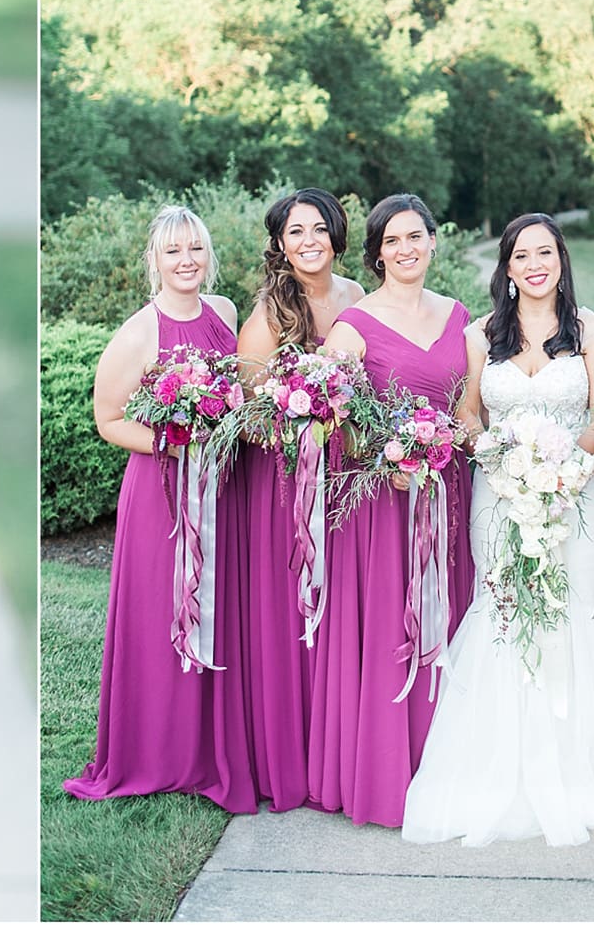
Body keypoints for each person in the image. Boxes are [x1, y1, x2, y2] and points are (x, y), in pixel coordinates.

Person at [401, 213, 594, 846]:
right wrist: (502, 458)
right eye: (522, 255)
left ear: (561, 261)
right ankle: (494, 766)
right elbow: (467, 412)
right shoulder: (483, 334)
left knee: (567, 611)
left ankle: (575, 769)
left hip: (573, 491)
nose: (535, 264)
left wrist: (560, 468)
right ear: (507, 268)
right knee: (504, 607)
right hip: (500, 490)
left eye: (546, 252)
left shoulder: (593, 329)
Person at [63, 206, 252, 805]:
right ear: (156, 260)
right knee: (163, 613)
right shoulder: (139, 332)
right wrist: (179, 442)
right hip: (164, 494)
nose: (186, 261)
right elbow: (108, 419)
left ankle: (210, 745)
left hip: (225, 486)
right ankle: (158, 750)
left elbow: (241, 392)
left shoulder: (224, 313)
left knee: (221, 607)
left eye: (195, 248)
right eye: (173, 251)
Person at [308, 193, 472, 826]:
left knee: (446, 619)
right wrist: (387, 455)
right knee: (388, 628)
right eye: (392, 241)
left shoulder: (463, 318)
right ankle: (383, 777)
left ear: (434, 241)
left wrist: (450, 442)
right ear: (377, 252)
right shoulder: (353, 327)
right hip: (381, 502)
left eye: (416, 237)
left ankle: (445, 765)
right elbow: (330, 417)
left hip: (445, 494)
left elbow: (468, 411)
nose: (406, 250)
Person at [232, 189, 364, 809]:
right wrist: (303, 423)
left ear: (337, 236)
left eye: (318, 229)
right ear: (280, 244)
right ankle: (288, 760)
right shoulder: (267, 316)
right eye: (295, 232)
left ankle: (336, 750)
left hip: (345, 476)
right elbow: (251, 415)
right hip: (286, 480)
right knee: (291, 609)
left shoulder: (359, 298)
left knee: (339, 608)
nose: (308, 241)